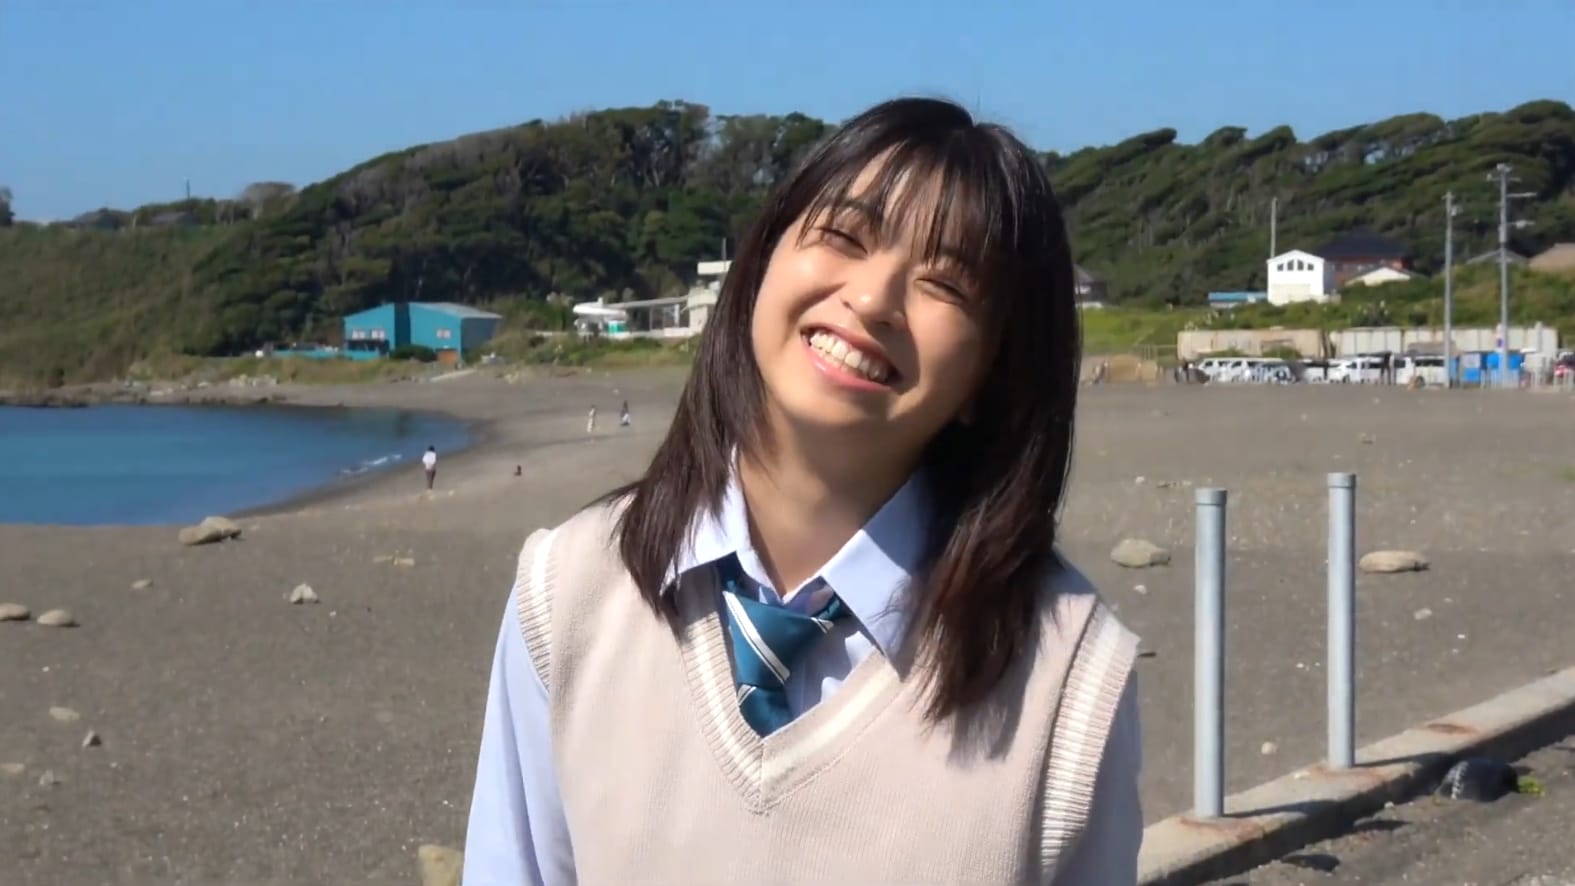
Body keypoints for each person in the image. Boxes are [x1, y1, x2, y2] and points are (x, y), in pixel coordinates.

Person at [463, 97, 1143, 885]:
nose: (873, 299)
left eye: (944, 284)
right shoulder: (570, 590)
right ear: (761, 264)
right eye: (844, 237)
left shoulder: (1069, 679)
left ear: (990, 375)